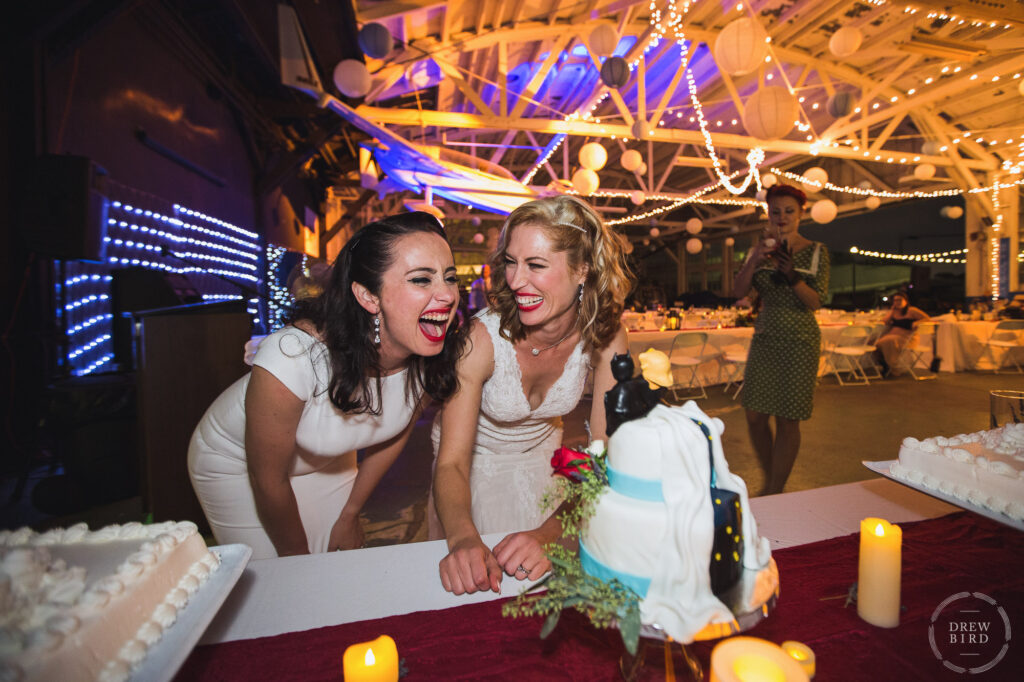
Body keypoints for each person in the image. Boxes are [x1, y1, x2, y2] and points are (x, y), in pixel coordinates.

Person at [188, 212, 466, 559]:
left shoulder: (427, 353)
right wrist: (297, 559)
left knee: (342, 566)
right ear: (369, 297)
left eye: (449, 277)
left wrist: (351, 513)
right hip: (238, 464)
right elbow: (268, 480)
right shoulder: (293, 356)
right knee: (278, 580)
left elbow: (394, 434)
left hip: (327, 458)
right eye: (422, 279)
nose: (446, 295)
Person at [431, 195, 635, 595]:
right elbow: (452, 462)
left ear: (583, 271)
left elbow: (607, 453)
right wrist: (462, 539)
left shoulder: (608, 337)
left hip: (548, 470)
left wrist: (553, 529)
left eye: (536, 265)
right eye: (511, 262)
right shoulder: (480, 341)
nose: (515, 280)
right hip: (472, 475)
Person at [732, 184, 830, 496]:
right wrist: (755, 259)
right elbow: (738, 291)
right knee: (754, 415)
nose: (782, 216)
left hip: (800, 339)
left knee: (789, 419)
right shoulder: (760, 251)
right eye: (776, 211)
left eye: (789, 211)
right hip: (766, 335)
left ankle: (774, 488)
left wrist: (793, 276)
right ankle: (771, 478)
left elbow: (816, 302)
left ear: (801, 214)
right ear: (769, 214)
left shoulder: (816, 251)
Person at [873, 291, 930, 376]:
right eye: (895, 300)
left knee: (888, 341)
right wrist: (892, 310)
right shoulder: (895, 312)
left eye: (899, 300)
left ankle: (892, 367)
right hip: (893, 337)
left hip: (907, 338)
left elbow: (927, 318)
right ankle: (886, 366)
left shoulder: (912, 310)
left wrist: (917, 323)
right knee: (874, 343)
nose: (897, 302)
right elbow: (884, 321)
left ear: (905, 301)